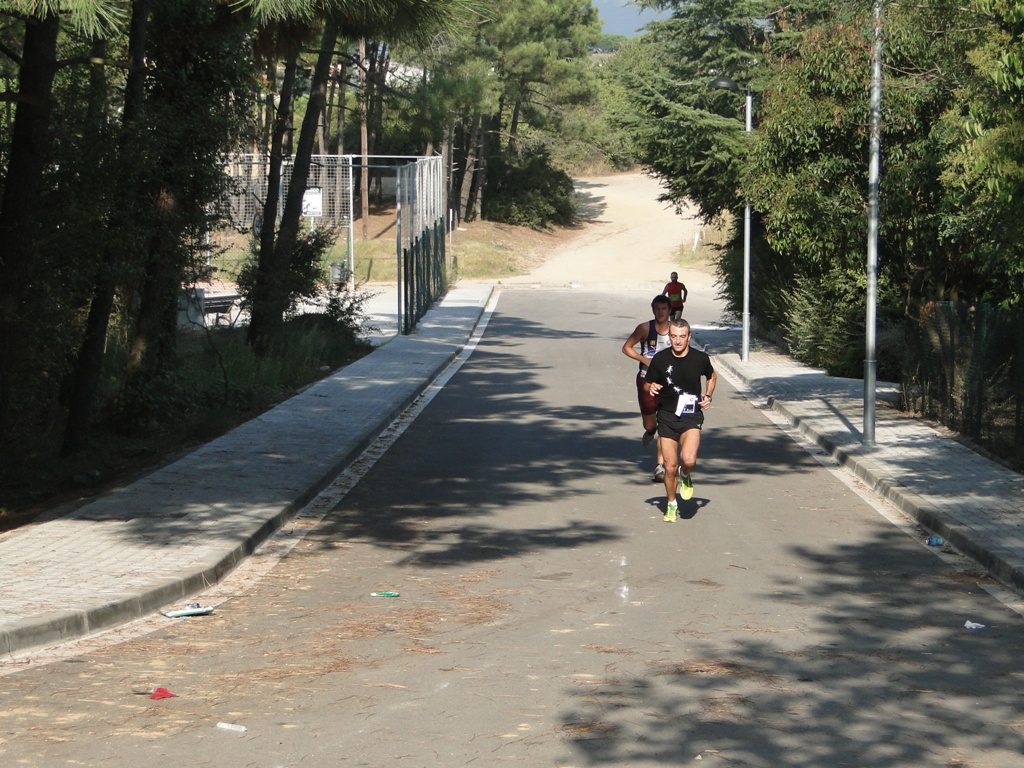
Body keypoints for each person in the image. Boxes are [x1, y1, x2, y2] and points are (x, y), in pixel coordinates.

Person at [643, 318, 717, 522]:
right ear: (669, 337)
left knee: (688, 460)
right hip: (666, 416)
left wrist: (708, 395)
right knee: (670, 466)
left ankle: (686, 475)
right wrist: (652, 387)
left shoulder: (700, 358)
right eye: (674, 336)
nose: (677, 341)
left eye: (682, 337)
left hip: (691, 415)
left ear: (689, 337)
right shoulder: (660, 359)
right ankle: (671, 504)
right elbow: (647, 384)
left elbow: (711, 376)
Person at [622, 295, 672, 481]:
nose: (660, 312)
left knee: (665, 424)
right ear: (653, 310)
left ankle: (661, 466)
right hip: (646, 381)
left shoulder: (675, 330)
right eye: (657, 309)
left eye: (664, 309)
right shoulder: (645, 328)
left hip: (668, 383)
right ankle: (650, 432)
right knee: (651, 424)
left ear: (669, 311)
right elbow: (626, 347)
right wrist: (645, 360)